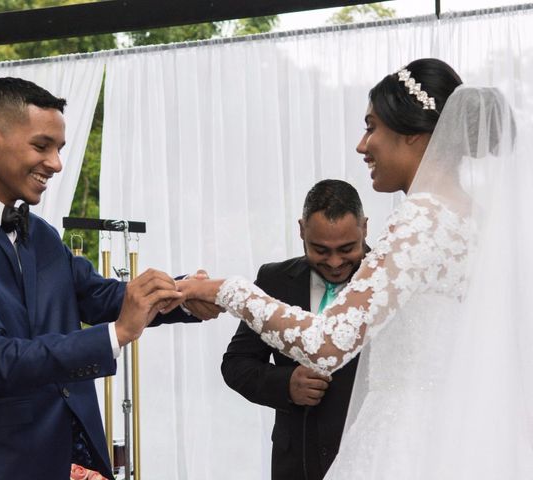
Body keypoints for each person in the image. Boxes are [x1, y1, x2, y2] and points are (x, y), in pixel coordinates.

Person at [177, 58, 533, 478]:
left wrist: (226, 290)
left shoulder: (423, 218)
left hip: (404, 440)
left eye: (372, 127)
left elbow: (328, 343)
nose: (362, 146)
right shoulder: (478, 221)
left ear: (413, 135)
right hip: (453, 434)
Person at [0, 77, 218, 480]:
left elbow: (104, 296)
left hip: (73, 462)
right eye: (42, 146)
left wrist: (185, 293)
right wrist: (115, 334)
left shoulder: (45, 235)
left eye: (59, 149)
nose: (55, 163)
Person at [221, 179, 368, 480]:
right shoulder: (274, 279)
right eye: (321, 250)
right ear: (301, 230)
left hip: (369, 455)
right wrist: (286, 383)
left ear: (364, 228)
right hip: (296, 464)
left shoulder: (389, 281)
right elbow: (236, 364)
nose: (336, 262)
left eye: (346, 248)